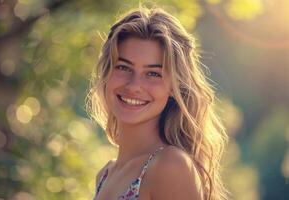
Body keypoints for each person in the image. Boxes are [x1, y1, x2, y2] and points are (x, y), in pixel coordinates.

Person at [86, 6, 229, 200]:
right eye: (123, 67)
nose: (134, 86)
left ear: (173, 87)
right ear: (106, 74)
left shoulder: (171, 166)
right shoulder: (105, 174)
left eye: (153, 73)